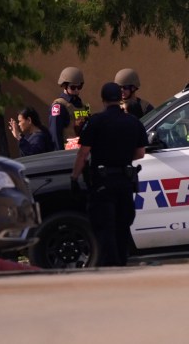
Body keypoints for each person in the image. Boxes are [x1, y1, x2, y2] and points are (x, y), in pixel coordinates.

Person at [71, 82, 148, 267]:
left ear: (103, 99)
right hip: (125, 181)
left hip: (103, 184)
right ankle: (122, 263)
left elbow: (83, 153)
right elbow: (140, 154)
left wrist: (74, 177)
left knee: (105, 228)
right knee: (122, 226)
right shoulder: (133, 121)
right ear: (120, 98)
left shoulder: (96, 121)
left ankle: (110, 267)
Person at [48, 66, 90, 150]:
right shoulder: (59, 106)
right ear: (65, 85)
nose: (77, 90)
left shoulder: (84, 106)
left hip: (83, 153)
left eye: (79, 87)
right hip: (67, 155)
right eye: (73, 87)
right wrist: (60, 156)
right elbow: (55, 134)